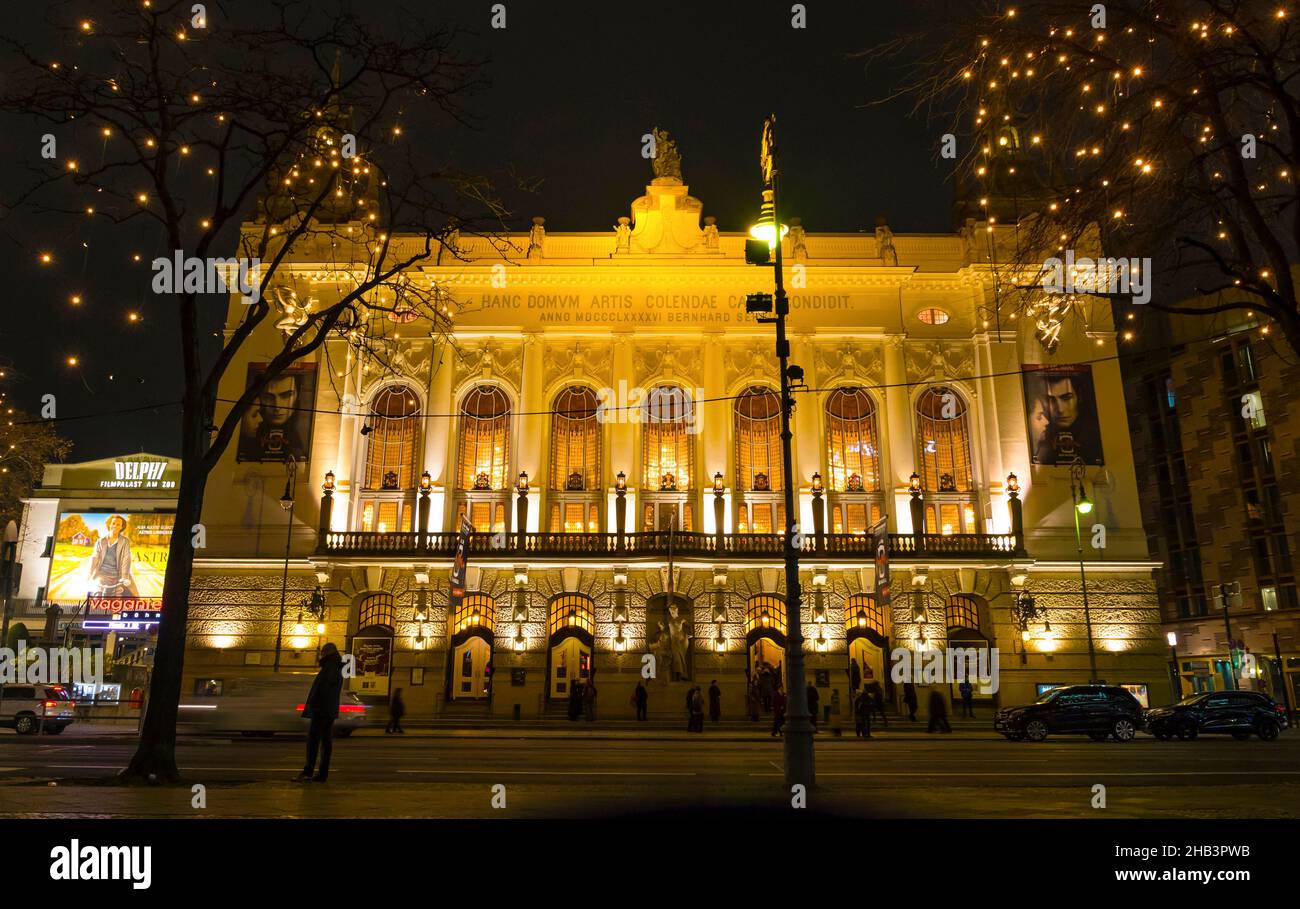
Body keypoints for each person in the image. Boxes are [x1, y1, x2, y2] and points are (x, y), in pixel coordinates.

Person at [295, 642, 344, 783]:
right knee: (325, 742)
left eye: (322, 652)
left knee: (313, 741)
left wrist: (314, 705)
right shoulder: (335, 666)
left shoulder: (330, 667)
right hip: (328, 709)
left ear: (327, 653)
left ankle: (308, 772)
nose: (321, 654)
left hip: (321, 709)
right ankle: (322, 774)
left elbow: (323, 688)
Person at [88, 515, 140, 597]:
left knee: (135, 596)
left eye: (118, 524)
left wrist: (125, 577)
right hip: (102, 574)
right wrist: (90, 573)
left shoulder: (125, 541)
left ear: (121, 527)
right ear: (110, 525)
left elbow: (126, 558)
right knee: (91, 597)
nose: (115, 526)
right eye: (113, 523)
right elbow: (95, 557)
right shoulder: (101, 541)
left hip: (118, 574)